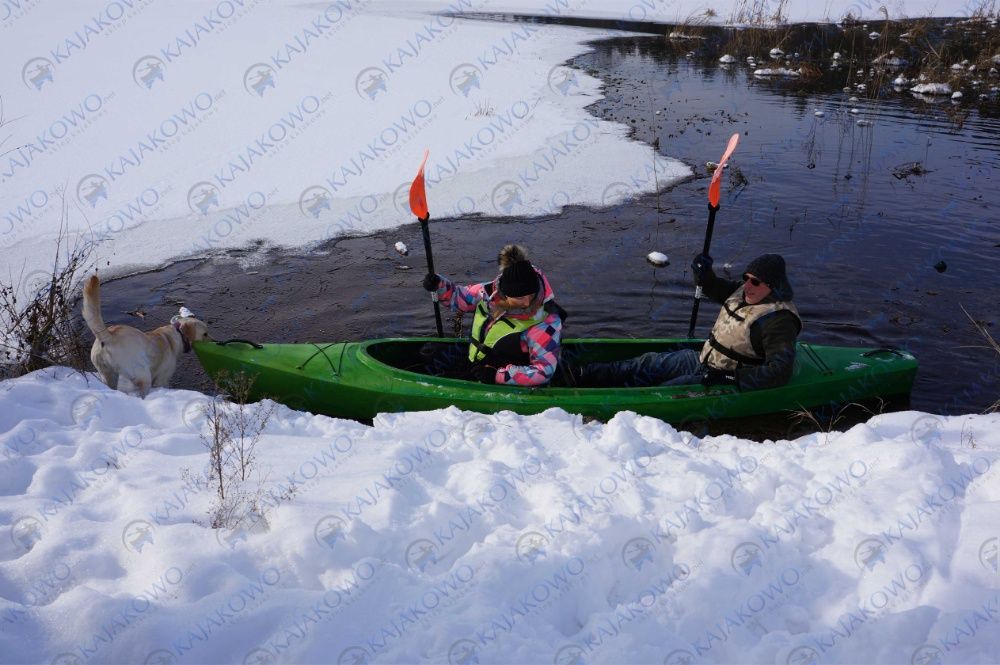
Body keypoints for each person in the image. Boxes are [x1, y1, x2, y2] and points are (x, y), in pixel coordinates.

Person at [575, 253, 801, 390]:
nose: (748, 285)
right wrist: (702, 272)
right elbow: (712, 287)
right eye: (746, 278)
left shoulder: (779, 321)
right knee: (647, 363)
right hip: (702, 360)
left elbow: (779, 372)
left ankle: (620, 403)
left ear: (772, 286)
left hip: (722, 380)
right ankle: (581, 374)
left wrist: (729, 377)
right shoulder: (744, 292)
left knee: (666, 389)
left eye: (756, 282)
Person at [421, 244, 566, 386]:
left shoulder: (546, 323)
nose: (528, 302)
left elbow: (543, 371)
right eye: (520, 297)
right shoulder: (489, 293)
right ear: (506, 293)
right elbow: (459, 297)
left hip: (504, 380)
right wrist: (438, 285)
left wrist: (497, 376)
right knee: (429, 354)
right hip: (477, 363)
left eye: (531, 295)